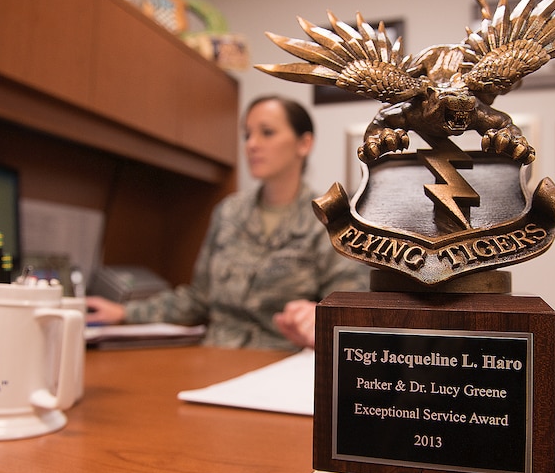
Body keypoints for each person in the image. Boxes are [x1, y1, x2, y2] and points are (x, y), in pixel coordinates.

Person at [86, 95, 369, 350]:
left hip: (281, 362)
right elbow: (198, 298)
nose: (251, 145)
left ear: (304, 143)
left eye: (267, 132)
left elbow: (349, 308)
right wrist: (124, 312)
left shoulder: (330, 219)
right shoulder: (228, 212)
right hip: (216, 356)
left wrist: (314, 316)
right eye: (247, 135)